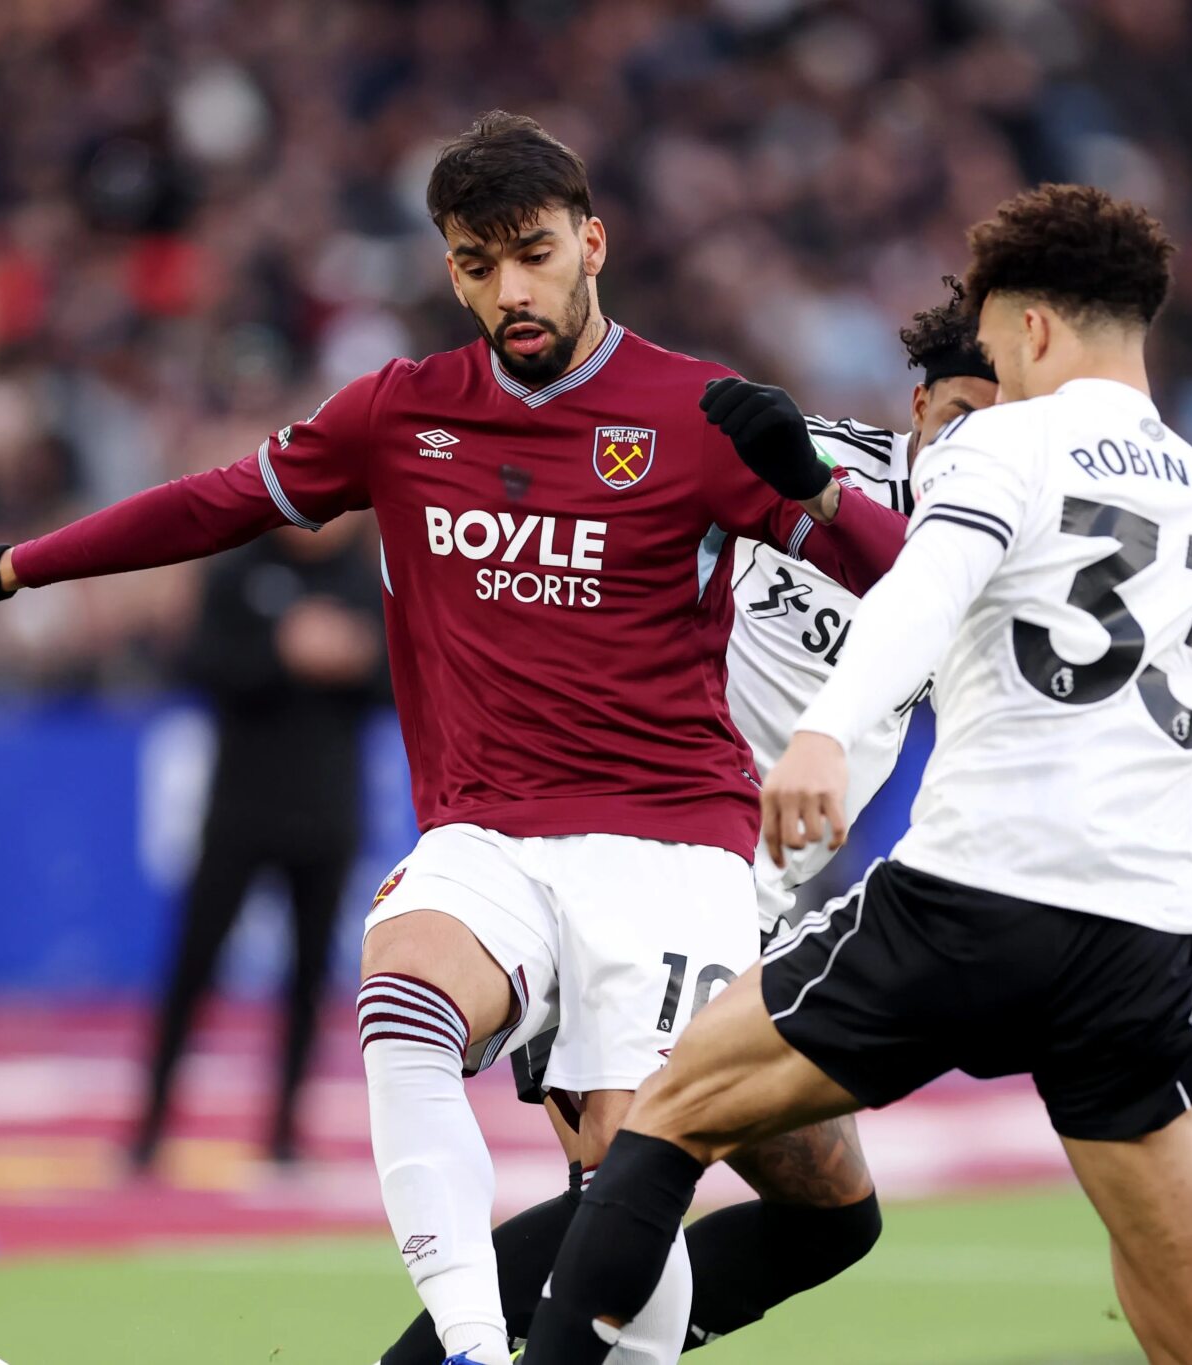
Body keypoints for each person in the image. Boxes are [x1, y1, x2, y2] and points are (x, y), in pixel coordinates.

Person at [0, 111, 910, 1365]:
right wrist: (6, 567)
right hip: (489, 832)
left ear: (592, 243)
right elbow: (216, 504)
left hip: (669, 847)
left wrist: (823, 493)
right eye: (474, 262)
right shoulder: (405, 411)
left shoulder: (695, 416)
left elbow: (906, 593)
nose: (507, 289)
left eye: (532, 253)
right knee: (401, 1001)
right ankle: (465, 1347)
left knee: (630, 1196)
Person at [520, 185, 1192, 1365]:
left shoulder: (1004, 439)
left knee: (669, 1116)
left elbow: (920, 591)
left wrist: (825, 733)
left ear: (1032, 330)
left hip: (976, 897)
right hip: (1147, 942)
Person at [376, 281, 998, 1363]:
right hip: (631, 868)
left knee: (827, 1212)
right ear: (919, 406)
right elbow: (600, 457)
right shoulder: (805, 460)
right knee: (632, 1181)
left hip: (749, 912)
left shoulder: (1011, 556)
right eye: (961, 417)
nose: (978, 445)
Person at [130, 517, 388, 1175]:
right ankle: (150, 1126)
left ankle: (283, 1134)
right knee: (192, 970)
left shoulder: (368, 579)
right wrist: (284, 651)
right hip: (240, 811)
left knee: (307, 981)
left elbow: (400, 682)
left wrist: (353, 657)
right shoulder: (239, 570)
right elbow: (200, 665)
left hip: (328, 814)